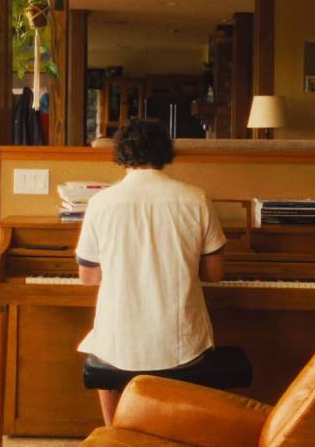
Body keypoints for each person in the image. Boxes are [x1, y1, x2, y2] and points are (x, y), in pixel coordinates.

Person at [75, 120, 226, 426]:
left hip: (118, 345)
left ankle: (115, 433)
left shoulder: (100, 203)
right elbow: (214, 273)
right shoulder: (195, 198)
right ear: (165, 153)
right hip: (182, 347)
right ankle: (174, 433)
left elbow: (88, 277)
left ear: (121, 154)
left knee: (103, 342)